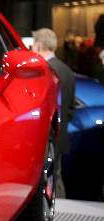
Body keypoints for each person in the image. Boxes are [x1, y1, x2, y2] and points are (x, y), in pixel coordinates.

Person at [32, 28, 76, 198]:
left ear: (39, 45)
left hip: (45, 136)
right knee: (56, 176)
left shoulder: (44, 70)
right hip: (61, 135)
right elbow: (70, 108)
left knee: (46, 180)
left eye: (33, 44)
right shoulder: (67, 70)